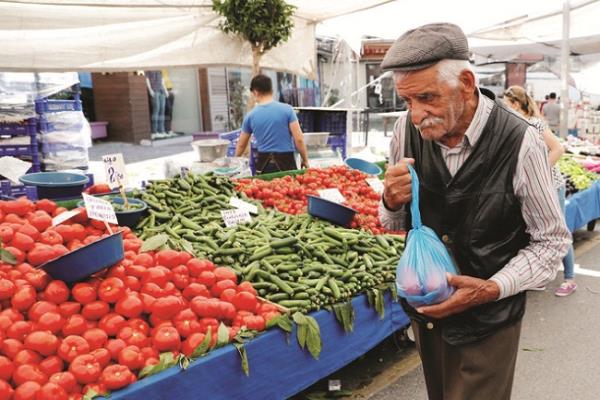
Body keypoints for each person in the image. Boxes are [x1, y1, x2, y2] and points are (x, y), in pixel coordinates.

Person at [379, 23, 570, 400]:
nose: (416, 114)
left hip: (490, 322)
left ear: (466, 83)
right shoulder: (405, 130)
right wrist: (391, 200)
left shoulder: (521, 140)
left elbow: (551, 241)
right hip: (428, 314)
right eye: (407, 101)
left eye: (427, 98)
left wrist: (492, 288)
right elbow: (394, 223)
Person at [503, 86, 577, 296]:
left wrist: (539, 174)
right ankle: (541, 276)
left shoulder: (534, 123)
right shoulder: (515, 125)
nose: (506, 110)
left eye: (508, 105)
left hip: (552, 186)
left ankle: (570, 279)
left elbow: (558, 149)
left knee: (557, 229)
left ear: (516, 104)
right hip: (532, 187)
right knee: (535, 229)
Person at [235, 74, 309, 174]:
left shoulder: (250, 116)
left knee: (266, 189)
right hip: (286, 162)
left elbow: (241, 145)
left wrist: (234, 163)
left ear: (255, 92)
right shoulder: (287, 110)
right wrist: (305, 160)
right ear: (271, 90)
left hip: (263, 164)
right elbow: (299, 140)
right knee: (289, 188)